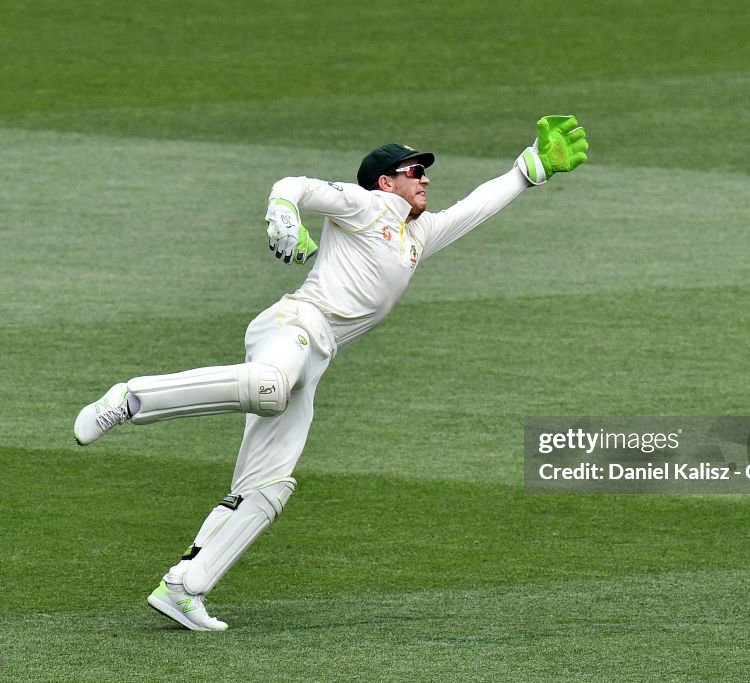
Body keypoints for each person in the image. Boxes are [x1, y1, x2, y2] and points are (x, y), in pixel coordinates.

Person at [72, 115, 588, 631]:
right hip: (293, 326)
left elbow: (475, 208)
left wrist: (531, 168)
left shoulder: (417, 234)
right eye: (415, 171)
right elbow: (295, 185)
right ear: (388, 181)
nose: (425, 178)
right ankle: (130, 398)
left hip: (316, 358)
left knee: (269, 486)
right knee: (270, 388)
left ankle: (186, 586)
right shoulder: (367, 205)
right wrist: (283, 213)